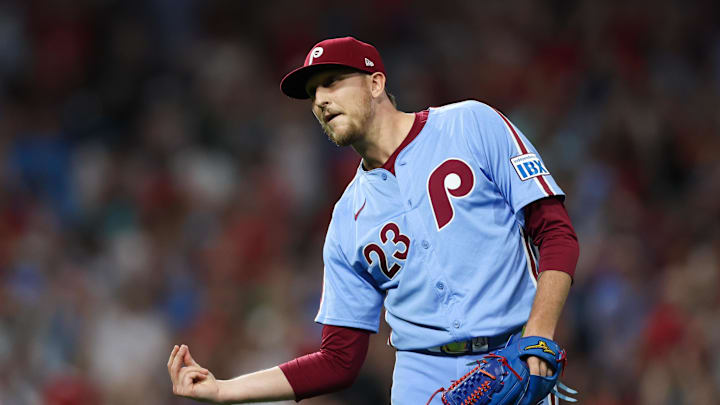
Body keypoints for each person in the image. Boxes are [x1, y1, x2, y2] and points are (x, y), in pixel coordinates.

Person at [167, 36, 579, 404]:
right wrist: (224, 390)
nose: (320, 101)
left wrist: (538, 331)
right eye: (313, 93)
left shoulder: (471, 124)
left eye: (331, 82)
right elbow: (338, 360)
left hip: (516, 355)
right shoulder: (347, 219)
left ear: (375, 83)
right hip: (423, 381)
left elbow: (556, 231)